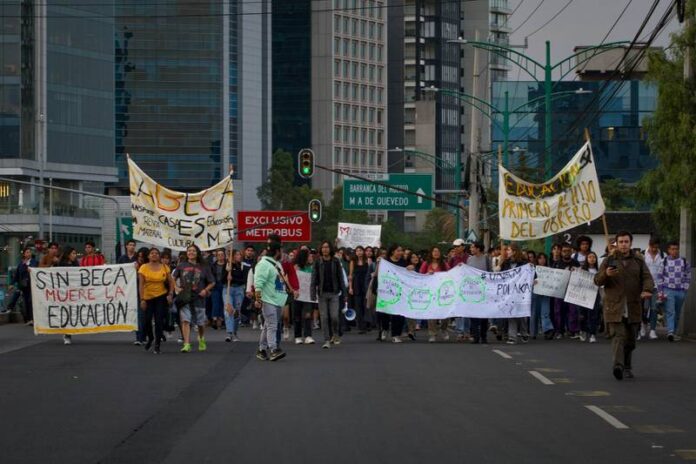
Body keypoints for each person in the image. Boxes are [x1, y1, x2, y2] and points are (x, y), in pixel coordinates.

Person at [594, 231, 654, 380]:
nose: (623, 244)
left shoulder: (638, 260)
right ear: (616, 243)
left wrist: (647, 290)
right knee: (618, 337)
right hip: (615, 306)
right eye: (620, 242)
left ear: (630, 243)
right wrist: (606, 274)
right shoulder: (609, 260)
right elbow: (597, 280)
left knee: (630, 340)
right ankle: (618, 366)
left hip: (633, 305)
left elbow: (647, 277)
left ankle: (627, 366)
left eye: (626, 242)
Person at [173, 245, 215, 353]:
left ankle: (201, 338)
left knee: (200, 323)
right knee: (185, 320)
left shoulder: (204, 266)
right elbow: (172, 278)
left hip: (199, 297)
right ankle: (186, 344)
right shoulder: (181, 265)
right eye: (189, 251)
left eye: (193, 251)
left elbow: (212, 282)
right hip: (185, 297)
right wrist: (176, 287)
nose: (191, 252)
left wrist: (205, 290)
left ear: (197, 253)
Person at [254, 241, 288, 361]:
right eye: (281, 251)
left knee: (268, 325)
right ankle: (274, 349)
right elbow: (258, 283)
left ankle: (262, 349)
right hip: (268, 300)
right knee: (272, 325)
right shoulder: (263, 264)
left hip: (277, 299)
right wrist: (258, 299)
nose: (282, 253)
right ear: (277, 251)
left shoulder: (276, 264)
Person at [310, 241, 347, 349]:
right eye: (323, 247)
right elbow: (314, 279)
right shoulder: (317, 262)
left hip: (334, 293)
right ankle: (326, 340)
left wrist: (344, 293)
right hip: (322, 293)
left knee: (334, 316)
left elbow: (340, 277)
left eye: (327, 247)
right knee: (324, 317)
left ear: (330, 249)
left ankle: (335, 334)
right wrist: (312, 292)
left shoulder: (336, 261)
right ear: (321, 249)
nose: (325, 249)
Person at [138, 248, 175, 354]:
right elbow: (140, 285)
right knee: (147, 321)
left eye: (156, 253)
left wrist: (170, 294)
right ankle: (150, 338)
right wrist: (142, 299)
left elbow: (171, 282)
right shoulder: (143, 268)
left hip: (161, 297)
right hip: (148, 297)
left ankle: (157, 344)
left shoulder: (165, 267)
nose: (154, 255)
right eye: (152, 253)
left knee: (159, 321)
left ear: (159, 256)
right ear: (148, 256)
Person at [658, 241, 691, 342]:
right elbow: (660, 277)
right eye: (672, 249)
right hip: (668, 290)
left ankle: (674, 332)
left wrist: (685, 289)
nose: (674, 251)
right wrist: (660, 292)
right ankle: (670, 332)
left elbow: (688, 276)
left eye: (676, 249)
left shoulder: (684, 262)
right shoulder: (663, 262)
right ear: (668, 250)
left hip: (680, 291)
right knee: (670, 311)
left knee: (677, 313)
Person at [502, 244, 529, 345]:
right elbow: (501, 276)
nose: (507, 252)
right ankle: (512, 337)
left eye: (508, 250)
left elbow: (532, 274)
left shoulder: (524, 263)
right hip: (509, 293)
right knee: (511, 314)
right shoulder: (505, 263)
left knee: (521, 315)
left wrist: (533, 277)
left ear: (514, 251)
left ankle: (524, 332)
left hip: (520, 293)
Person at [552, 243, 580, 339]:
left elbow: (580, 276)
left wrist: (576, 271)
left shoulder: (576, 263)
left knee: (573, 311)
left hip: (572, 290)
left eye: (568, 251)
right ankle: (559, 331)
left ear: (571, 251)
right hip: (559, 290)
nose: (566, 253)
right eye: (564, 251)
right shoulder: (557, 263)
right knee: (558, 311)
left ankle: (573, 330)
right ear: (561, 252)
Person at [466, 242, 491, 344]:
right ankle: (475, 336)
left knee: (484, 315)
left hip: (483, 290)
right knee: (473, 314)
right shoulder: (469, 259)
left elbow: (490, 273)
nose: (471, 249)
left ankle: (483, 335)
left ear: (478, 249)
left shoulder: (486, 259)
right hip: (472, 291)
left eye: (473, 247)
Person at [641, 237, 664, 340]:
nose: (654, 249)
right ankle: (643, 324)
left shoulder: (663, 256)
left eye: (656, 247)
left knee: (654, 308)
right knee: (644, 308)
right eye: (652, 247)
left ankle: (653, 330)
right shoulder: (642, 255)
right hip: (644, 286)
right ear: (649, 245)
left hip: (657, 286)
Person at [293, 249, 316, 344]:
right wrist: (293, 290)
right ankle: (297, 336)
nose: (311, 257)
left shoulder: (313, 268)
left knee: (308, 315)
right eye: (309, 256)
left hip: (308, 295)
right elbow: (291, 280)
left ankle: (308, 335)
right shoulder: (296, 267)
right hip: (297, 294)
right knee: (297, 316)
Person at [531, 253, 555, 340]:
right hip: (535, 292)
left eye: (544, 258)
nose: (542, 260)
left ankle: (548, 330)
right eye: (540, 258)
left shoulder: (549, 269)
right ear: (537, 259)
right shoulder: (533, 269)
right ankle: (533, 332)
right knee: (534, 313)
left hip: (545, 293)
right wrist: (532, 281)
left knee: (545, 312)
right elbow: (527, 279)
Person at [579, 252, 601, 343]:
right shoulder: (582, 270)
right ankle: (583, 331)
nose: (592, 259)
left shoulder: (599, 270)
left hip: (595, 295)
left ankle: (592, 334)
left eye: (594, 257)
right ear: (587, 259)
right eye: (590, 257)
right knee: (582, 314)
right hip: (583, 294)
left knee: (593, 314)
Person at [224, 250, 245, 342]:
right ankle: (229, 333)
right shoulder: (227, 265)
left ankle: (235, 332)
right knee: (229, 310)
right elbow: (221, 279)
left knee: (237, 311)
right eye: (237, 254)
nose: (239, 256)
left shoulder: (242, 266)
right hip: (227, 289)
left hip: (239, 289)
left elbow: (243, 279)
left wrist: (233, 278)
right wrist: (227, 274)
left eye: (240, 254)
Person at [349, 246, 370, 334]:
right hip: (356, 285)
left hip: (365, 285)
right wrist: (350, 287)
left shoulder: (367, 261)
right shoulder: (353, 262)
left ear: (363, 252)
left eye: (361, 250)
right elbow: (350, 276)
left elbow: (370, 273)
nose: (359, 252)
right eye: (357, 251)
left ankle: (366, 324)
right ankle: (361, 326)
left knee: (365, 306)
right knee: (358, 306)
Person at [15, 247, 37, 326]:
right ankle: (28, 318)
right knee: (26, 302)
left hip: (32, 284)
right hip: (24, 285)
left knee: (31, 301)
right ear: (24, 254)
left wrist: (29, 268)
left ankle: (32, 318)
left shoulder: (34, 261)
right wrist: (12, 283)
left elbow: (34, 269)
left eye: (29, 252)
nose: (28, 254)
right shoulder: (21, 263)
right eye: (27, 252)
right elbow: (17, 274)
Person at [209, 249, 227, 330]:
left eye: (222, 254)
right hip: (215, 285)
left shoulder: (228, 265)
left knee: (223, 303)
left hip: (224, 285)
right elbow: (209, 276)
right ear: (216, 256)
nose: (220, 256)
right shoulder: (213, 265)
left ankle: (222, 319)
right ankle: (214, 319)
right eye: (218, 255)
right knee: (215, 302)